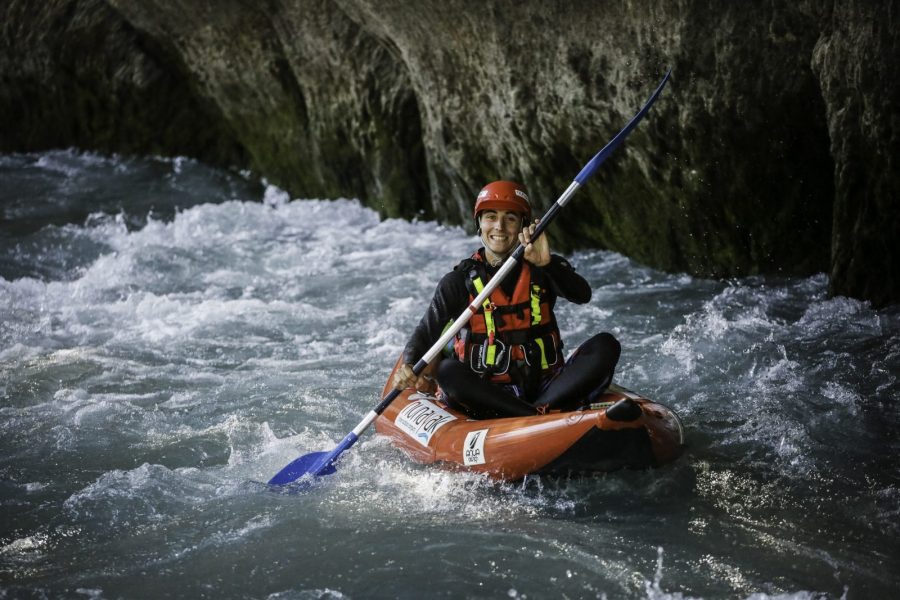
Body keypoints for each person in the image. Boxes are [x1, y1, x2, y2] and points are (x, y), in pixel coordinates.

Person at [393, 180, 621, 419]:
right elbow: (426, 332)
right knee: (448, 371)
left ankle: (536, 412)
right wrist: (408, 363)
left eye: (510, 218)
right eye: (490, 217)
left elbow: (582, 295)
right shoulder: (457, 281)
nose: (499, 227)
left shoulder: (542, 267)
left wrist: (548, 263)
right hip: (488, 392)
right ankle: (532, 417)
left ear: (523, 225)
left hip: (546, 388)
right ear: (479, 224)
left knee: (606, 344)